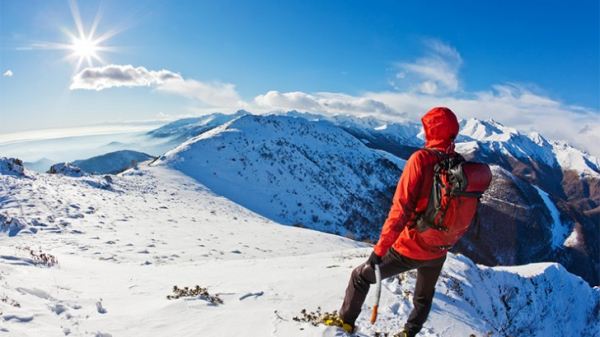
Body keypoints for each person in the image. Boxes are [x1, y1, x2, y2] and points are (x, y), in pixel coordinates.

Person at [328, 107, 461, 337]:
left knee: (360, 277)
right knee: (423, 297)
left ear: (432, 129)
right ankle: (409, 333)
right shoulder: (458, 162)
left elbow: (400, 210)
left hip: (412, 247)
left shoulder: (421, 159)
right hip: (439, 248)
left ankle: (345, 323)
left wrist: (378, 252)